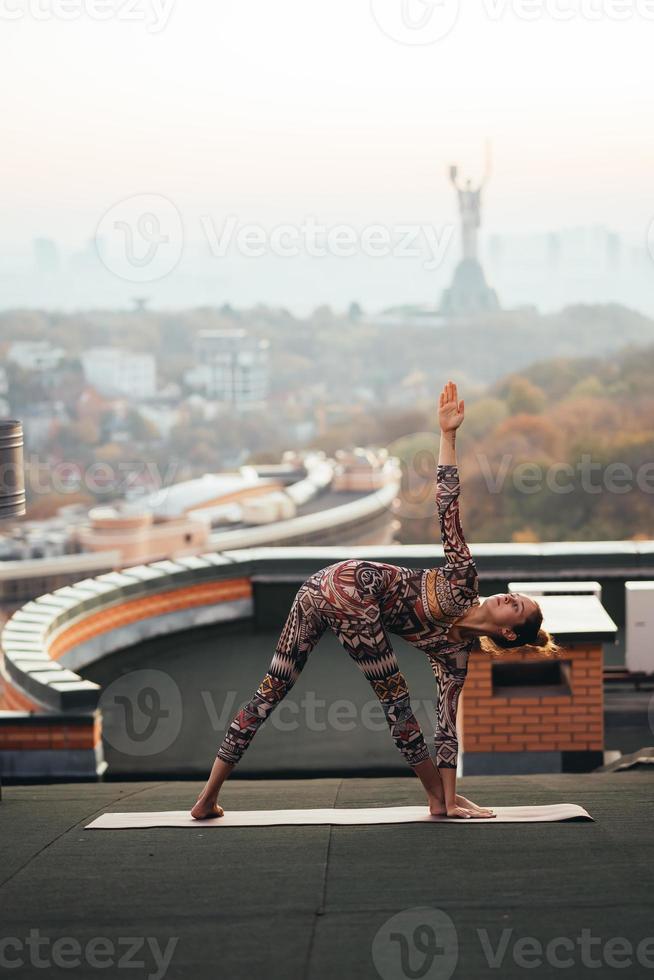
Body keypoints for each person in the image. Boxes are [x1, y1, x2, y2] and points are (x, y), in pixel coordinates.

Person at [191, 380, 561, 820]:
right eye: (512, 595)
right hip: (338, 585)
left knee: (282, 691)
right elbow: (447, 507)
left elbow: (447, 730)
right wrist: (448, 436)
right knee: (377, 699)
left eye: (514, 606)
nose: (506, 597)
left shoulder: (454, 655)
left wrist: (453, 792)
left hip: (329, 593)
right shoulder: (463, 580)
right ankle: (208, 796)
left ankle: (207, 801)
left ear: (506, 631)